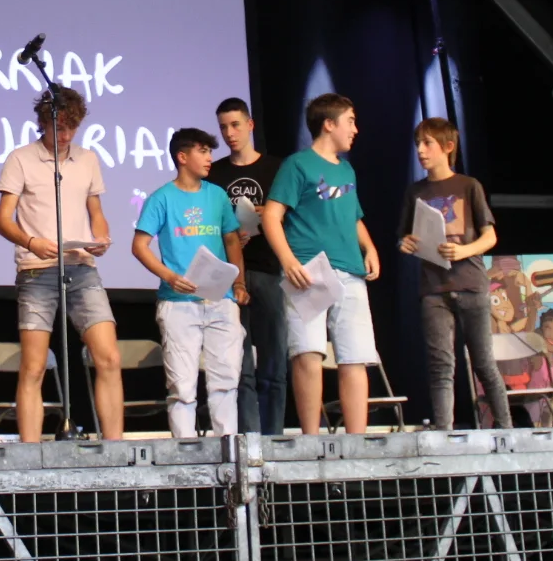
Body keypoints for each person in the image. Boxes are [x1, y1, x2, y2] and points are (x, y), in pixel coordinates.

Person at [0, 85, 122, 441]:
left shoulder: (88, 159)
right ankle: (31, 454)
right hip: (37, 270)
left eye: (72, 128)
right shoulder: (21, 158)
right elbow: (3, 220)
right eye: (59, 127)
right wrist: (32, 242)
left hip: (81, 267)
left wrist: (101, 237)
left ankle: (117, 450)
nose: (65, 136)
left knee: (109, 357)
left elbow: (96, 212)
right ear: (43, 122)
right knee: (34, 367)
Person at [261, 93, 382, 436]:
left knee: (355, 356)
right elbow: (271, 216)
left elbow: (354, 216)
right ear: (329, 124)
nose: (355, 129)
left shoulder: (346, 169)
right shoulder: (297, 165)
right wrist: (288, 261)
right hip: (309, 271)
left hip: (351, 270)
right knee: (308, 353)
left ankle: (356, 441)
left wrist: (370, 247)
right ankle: (311, 440)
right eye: (350, 121)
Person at [399, 117, 512, 430]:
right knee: (441, 366)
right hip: (434, 289)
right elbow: (406, 236)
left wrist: (464, 251)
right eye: (418, 144)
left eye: (428, 143)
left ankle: (506, 429)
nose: (421, 150)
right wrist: (405, 243)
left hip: (471, 285)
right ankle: (445, 433)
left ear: (448, 147)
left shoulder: (468, 186)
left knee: (483, 363)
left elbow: (490, 236)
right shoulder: (415, 192)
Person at [134, 128, 247, 438]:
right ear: (182, 157)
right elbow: (139, 246)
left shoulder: (217, 195)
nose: (210, 158)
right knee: (182, 386)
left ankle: (228, 449)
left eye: (210, 151)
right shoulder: (161, 198)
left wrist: (239, 283)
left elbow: (231, 240)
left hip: (221, 299)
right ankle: (185, 453)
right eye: (203, 151)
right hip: (178, 304)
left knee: (226, 381)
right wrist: (169, 276)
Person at [209, 98, 288, 435]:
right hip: (230, 275)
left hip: (269, 270)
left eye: (235, 125)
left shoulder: (275, 169)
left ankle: (273, 439)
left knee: (274, 362)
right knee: (240, 367)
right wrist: (229, 235)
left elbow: (292, 215)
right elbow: (207, 223)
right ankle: (249, 440)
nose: (229, 133)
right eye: (223, 127)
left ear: (250, 124)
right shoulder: (216, 173)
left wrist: (267, 215)